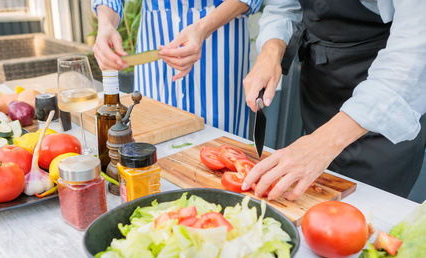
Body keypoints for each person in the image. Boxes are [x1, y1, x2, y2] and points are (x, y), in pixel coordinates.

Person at [242, 0, 426, 200]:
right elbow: (284, 6)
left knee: (362, 211)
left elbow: (412, 58)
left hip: (384, 103)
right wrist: (271, 51)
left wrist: (323, 143)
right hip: (321, 82)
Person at [91, 0, 263, 138]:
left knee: (221, 148)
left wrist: (203, 29)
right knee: (150, 140)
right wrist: (106, 23)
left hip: (221, 39)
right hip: (156, 39)